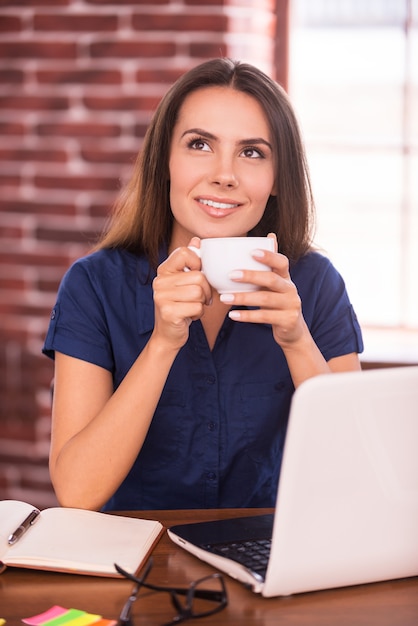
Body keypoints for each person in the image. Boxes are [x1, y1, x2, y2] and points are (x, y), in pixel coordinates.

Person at [43, 58, 363, 512]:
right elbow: (78, 492)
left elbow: (357, 472)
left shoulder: (315, 285)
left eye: (252, 152)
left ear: (276, 180)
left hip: (269, 559)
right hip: (135, 559)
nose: (224, 174)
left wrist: (297, 342)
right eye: (199, 145)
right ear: (165, 162)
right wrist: (161, 344)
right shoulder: (94, 285)